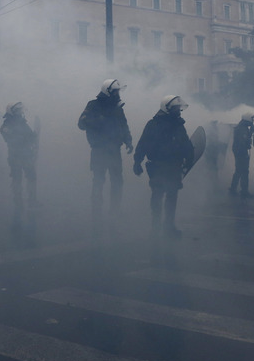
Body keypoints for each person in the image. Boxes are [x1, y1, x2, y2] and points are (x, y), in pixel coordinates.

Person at [133, 95, 195, 240]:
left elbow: (185, 143)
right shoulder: (153, 125)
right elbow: (143, 144)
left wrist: (189, 157)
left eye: (179, 108)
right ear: (166, 108)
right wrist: (137, 161)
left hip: (174, 166)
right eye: (175, 108)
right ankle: (155, 227)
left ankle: (169, 226)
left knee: (172, 196)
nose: (178, 111)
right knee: (158, 195)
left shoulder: (179, 125)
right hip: (158, 165)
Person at [77, 79, 134, 222]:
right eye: (115, 91)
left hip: (114, 150)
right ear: (107, 91)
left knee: (117, 181)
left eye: (118, 91)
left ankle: (115, 211)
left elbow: (123, 124)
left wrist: (128, 140)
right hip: (99, 150)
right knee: (99, 180)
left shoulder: (117, 107)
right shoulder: (94, 105)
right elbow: (82, 124)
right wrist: (101, 120)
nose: (117, 94)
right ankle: (96, 212)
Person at [0, 102, 39, 222]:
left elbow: (30, 136)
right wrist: (25, 139)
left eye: (21, 110)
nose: (21, 112)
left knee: (31, 176)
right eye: (19, 111)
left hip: (26, 154)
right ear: (13, 112)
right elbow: (8, 136)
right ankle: (18, 202)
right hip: (15, 155)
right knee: (17, 178)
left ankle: (32, 200)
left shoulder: (22, 123)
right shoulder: (7, 124)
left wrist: (33, 137)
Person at [228, 112, 254, 198]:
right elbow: (242, 142)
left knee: (239, 170)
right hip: (241, 152)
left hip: (239, 151)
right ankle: (244, 191)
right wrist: (245, 152)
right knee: (244, 171)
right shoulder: (242, 128)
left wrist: (251, 132)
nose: (253, 121)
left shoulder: (243, 127)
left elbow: (245, 139)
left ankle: (233, 189)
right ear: (248, 119)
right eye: (252, 119)